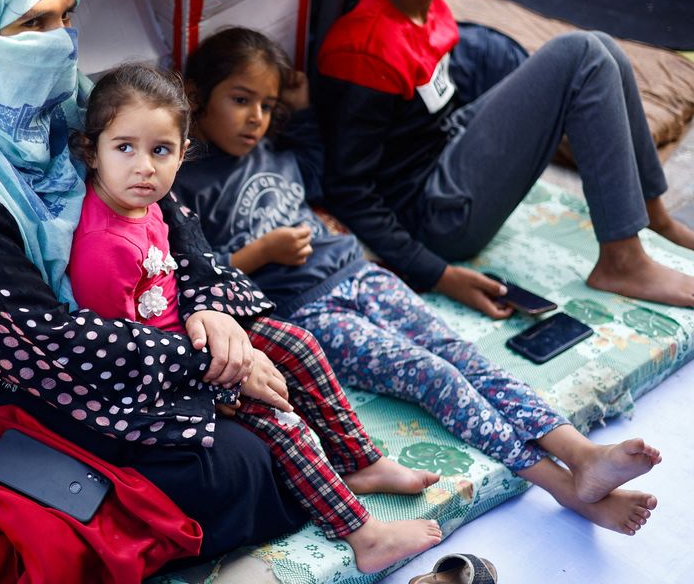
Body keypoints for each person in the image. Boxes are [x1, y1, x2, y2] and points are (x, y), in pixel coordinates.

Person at [0, 0, 317, 568]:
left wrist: (210, 310)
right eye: (32, 23)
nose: (60, 44)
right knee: (230, 468)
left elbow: (171, 216)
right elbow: (30, 339)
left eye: (66, 17)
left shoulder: (63, 103)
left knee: (286, 375)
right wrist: (199, 361)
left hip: (104, 336)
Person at [174, 26, 661, 536]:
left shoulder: (279, 150)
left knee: (464, 355)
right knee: (434, 375)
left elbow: (322, 151)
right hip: (307, 311)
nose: (256, 117)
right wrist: (259, 253)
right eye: (240, 99)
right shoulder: (187, 181)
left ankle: (580, 453)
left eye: (267, 104)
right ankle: (564, 488)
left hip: (360, 273)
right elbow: (198, 275)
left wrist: (300, 97)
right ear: (197, 95)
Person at [67, 63, 443, 574]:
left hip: (191, 339)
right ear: (93, 151)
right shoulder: (103, 245)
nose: (144, 168)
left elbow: (179, 280)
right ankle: (362, 533)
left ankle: (361, 461)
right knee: (278, 421)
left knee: (298, 344)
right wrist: (224, 380)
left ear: (182, 153)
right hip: (155, 381)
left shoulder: (148, 205)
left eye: (161, 151)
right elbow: (123, 354)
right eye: (124, 148)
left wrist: (224, 330)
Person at [315, 0, 694, 318]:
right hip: (435, 216)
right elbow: (350, 190)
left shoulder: (426, 6)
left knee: (603, 48)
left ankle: (653, 215)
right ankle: (622, 261)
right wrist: (440, 276)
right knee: (582, 56)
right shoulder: (365, 50)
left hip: (445, 148)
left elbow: (432, 114)